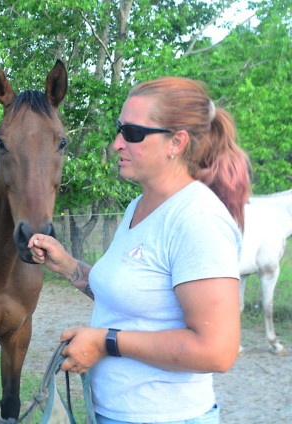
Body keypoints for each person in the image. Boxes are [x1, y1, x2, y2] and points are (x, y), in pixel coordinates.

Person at [28, 76, 251, 424]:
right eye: (120, 130)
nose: (117, 143)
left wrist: (106, 342)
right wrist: (70, 267)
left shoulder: (198, 219)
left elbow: (217, 351)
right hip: (112, 412)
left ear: (175, 143)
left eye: (132, 133)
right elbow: (134, 299)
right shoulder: (138, 206)